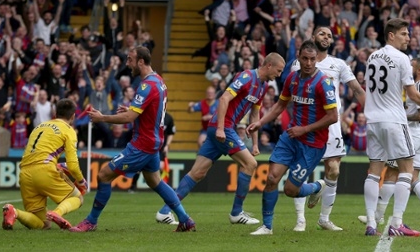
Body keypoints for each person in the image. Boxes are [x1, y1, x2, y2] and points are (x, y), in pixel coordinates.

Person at [69, 46, 195, 232]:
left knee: (103, 176)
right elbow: (147, 113)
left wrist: (102, 117)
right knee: (154, 181)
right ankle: (185, 219)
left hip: (143, 144)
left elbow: (129, 119)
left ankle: (91, 221)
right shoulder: (159, 81)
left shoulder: (146, 86)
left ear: (141, 62)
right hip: (153, 141)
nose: (127, 64)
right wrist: (130, 112)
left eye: (129, 60)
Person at [155, 53, 285, 225]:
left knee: (197, 172)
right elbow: (224, 98)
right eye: (279, 70)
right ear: (269, 65)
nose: (279, 74)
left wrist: (255, 143)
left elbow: (254, 115)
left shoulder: (262, 87)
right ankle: (236, 213)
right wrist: (221, 128)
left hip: (220, 129)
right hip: (223, 127)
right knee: (250, 164)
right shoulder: (246, 77)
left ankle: (164, 211)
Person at [363, 18, 420, 237]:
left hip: (372, 120)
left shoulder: (372, 57)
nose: (408, 38)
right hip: (393, 120)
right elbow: (411, 94)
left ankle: (371, 222)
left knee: (374, 171)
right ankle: (397, 223)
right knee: (407, 169)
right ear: (391, 35)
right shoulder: (401, 58)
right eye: (404, 34)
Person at [248, 40, 338, 235]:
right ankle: (267, 226)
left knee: (290, 190)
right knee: (271, 178)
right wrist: (260, 123)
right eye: (305, 58)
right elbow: (280, 105)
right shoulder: (291, 79)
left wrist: (304, 129)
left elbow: (333, 117)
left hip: (312, 144)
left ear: (316, 60)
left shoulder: (323, 83)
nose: (308, 63)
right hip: (290, 137)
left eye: (312, 59)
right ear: (298, 57)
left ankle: (317, 187)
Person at [292, 26, 366, 232]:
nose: (326, 37)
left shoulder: (338, 64)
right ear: (313, 37)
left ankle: (324, 219)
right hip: (305, 121)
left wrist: (373, 113)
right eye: (322, 33)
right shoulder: (297, 64)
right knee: (301, 170)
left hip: (331, 122)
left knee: (333, 169)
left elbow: (357, 89)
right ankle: (300, 219)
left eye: (330, 35)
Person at [358, 57, 420, 228]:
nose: (407, 68)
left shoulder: (418, 86)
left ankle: (378, 216)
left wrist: (400, 116)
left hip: (409, 134)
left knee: (391, 173)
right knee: (413, 177)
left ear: (418, 70)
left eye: (411, 66)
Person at [2, 99, 87, 230]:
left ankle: (14, 212)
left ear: (55, 113)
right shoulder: (69, 130)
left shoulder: (39, 127)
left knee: (44, 225)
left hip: (25, 173)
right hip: (44, 170)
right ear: (73, 116)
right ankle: (57, 213)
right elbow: (73, 164)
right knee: (78, 198)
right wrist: (81, 181)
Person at [129, 112, 176, 194]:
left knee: (161, 166)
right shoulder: (151, 114)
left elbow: (171, 133)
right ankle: (132, 187)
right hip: (146, 145)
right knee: (140, 167)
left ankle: (160, 189)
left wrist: (167, 145)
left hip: (160, 147)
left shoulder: (168, 118)